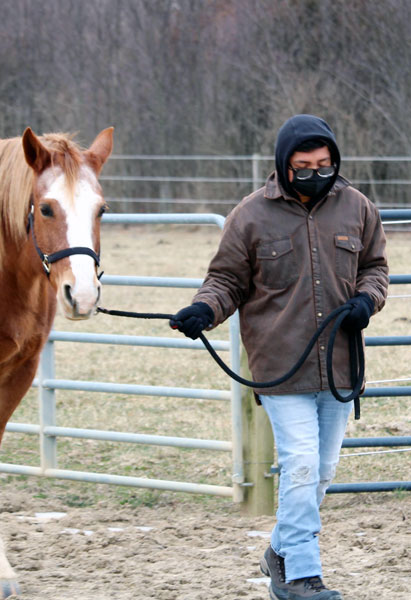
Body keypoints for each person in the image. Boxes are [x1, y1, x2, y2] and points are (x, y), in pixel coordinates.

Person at [170, 114, 389, 600]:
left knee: (323, 471)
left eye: (324, 164)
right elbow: (226, 280)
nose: (316, 173)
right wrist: (203, 311)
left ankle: (279, 552)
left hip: (339, 365)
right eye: (304, 166)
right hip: (280, 365)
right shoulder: (249, 216)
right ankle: (301, 577)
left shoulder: (358, 208)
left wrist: (366, 300)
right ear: (284, 166)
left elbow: (375, 267)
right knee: (302, 465)